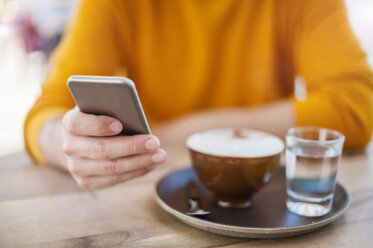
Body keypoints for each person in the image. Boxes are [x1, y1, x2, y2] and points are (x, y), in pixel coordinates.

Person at [25, 0, 373, 190]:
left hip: (263, 195)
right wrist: (66, 142)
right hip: (147, 195)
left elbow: (356, 106)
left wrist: (168, 134)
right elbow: (47, 113)